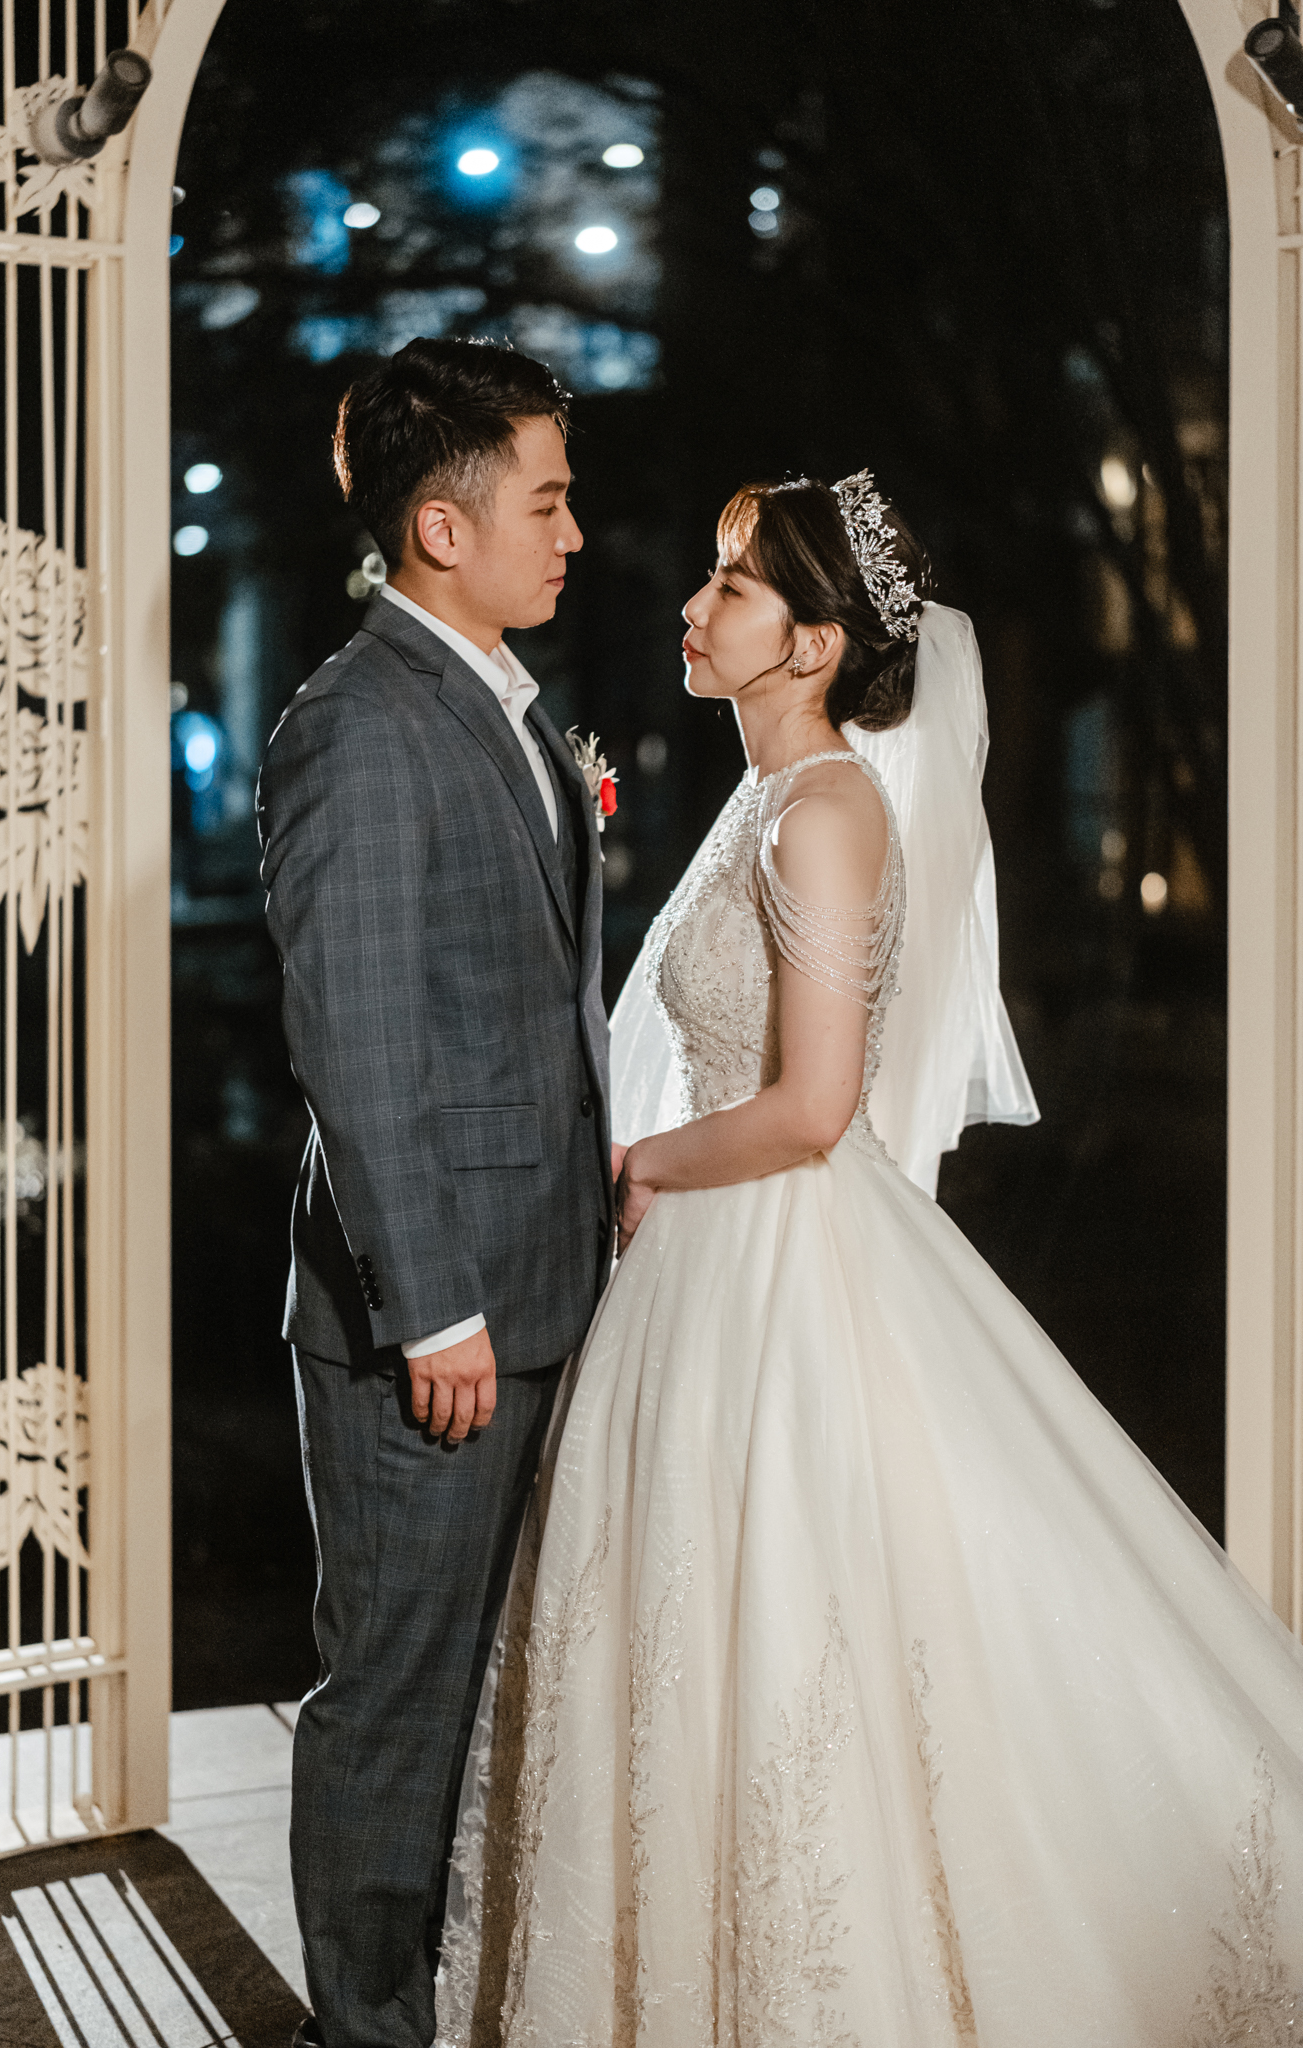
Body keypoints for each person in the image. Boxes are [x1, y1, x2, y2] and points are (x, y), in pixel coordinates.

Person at [437, 474, 1303, 2047]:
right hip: (708, 1268)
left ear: (813, 643)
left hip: (771, 1258)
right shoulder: (765, 801)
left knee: (803, 1617)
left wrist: (641, 1164)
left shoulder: (826, 811)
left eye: (730, 587)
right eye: (708, 579)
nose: (691, 608)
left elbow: (812, 1108)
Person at [255, 336, 615, 2048]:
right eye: (546, 502)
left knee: (485, 1688)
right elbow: (360, 1038)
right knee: (397, 1697)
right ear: (440, 526)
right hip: (439, 1319)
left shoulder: (500, 701)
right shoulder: (356, 724)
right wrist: (436, 1307)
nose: (573, 533)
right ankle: (364, 2030)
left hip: (544, 1285)